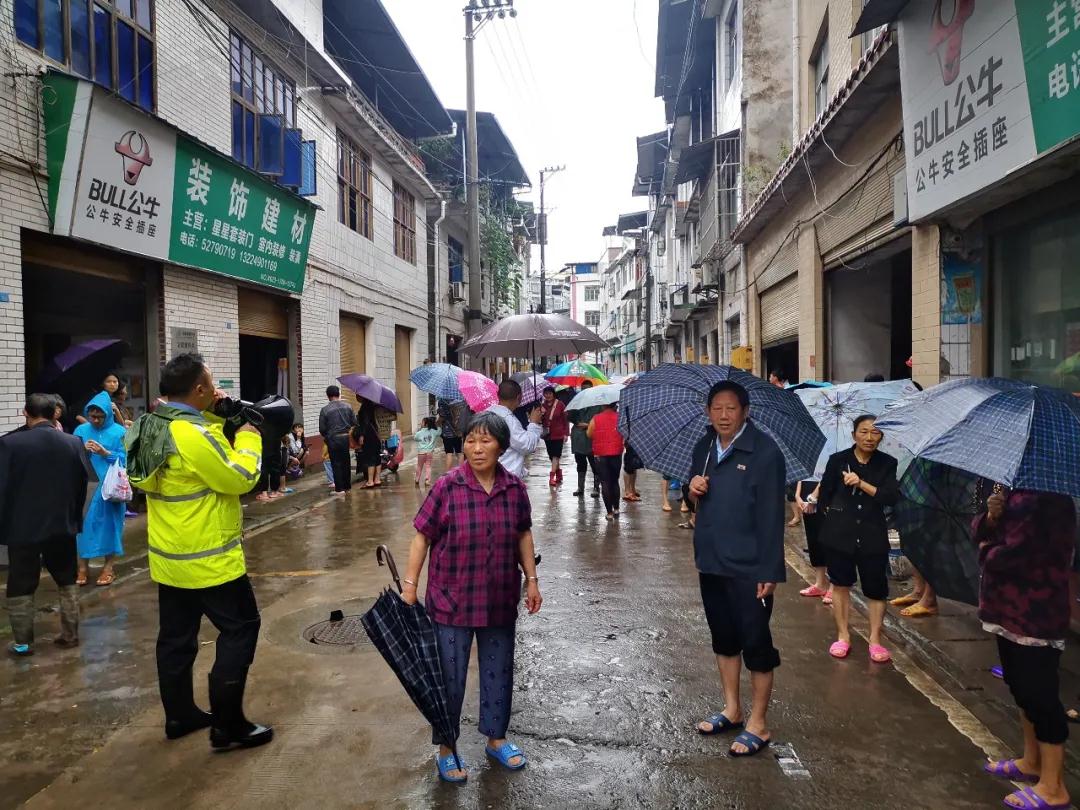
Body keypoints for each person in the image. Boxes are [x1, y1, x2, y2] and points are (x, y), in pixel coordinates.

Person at [126, 353, 271, 749]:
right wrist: (248, 433)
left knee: (175, 639)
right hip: (211, 559)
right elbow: (240, 477)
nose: (216, 389)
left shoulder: (146, 426)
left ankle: (180, 715)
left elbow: (187, 447)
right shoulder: (192, 435)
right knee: (241, 630)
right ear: (200, 389)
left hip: (170, 560)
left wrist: (216, 413)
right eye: (210, 384)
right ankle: (228, 726)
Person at [401, 411, 542, 783]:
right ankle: (447, 749)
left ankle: (497, 739)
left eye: (486, 441)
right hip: (451, 601)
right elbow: (422, 536)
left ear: (501, 446)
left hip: (498, 598)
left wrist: (531, 579)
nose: (477, 449)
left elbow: (523, 535)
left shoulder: (514, 489)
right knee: (449, 678)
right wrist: (411, 584)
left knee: (499, 671)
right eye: (470, 440)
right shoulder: (448, 486)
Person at [688, 381, 785, 757]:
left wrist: (770, 570)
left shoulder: (764, 452)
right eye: (716, 408)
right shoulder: (704, 448)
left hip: (749, 567)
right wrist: (692, 490)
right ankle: (732, 707)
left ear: (745, 411)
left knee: (756, 643)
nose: (723, 416)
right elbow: (695, 505)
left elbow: (772, 516)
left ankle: (758, 723)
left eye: (730, 408)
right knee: (724, 638)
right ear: (708, 412)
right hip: (712, 561)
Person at [976, 484, 1075, 810]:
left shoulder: (1052, 497)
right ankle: (1031, 761)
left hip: (1036, 612)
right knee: (1019, 686)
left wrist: (986, 549)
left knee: (1040, 694)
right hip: (1006, 608)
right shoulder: (1015, 488)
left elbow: (1021, 553)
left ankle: (1053, 785)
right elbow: (981, 528)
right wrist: (991, 516)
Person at [0, 394, 90, 655]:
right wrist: (74, 518)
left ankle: (22, 643)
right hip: (62, 524)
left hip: (22, 527)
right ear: (54, 414)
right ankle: (70, 634)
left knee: (21, 582)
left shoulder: (9, 444)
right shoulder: (73, 443)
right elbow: (82, 484)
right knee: (67, 578)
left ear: (26, 413)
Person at [818, 415, 899, 663]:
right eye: (864, 432)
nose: (869, 437)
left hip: (872, 533)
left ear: (881, 437)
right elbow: (826, 495)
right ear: (854, 435)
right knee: (841, 584)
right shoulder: (838, 461)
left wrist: (862, 483)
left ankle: (875, 640)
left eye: (875, 433)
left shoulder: (887, 463)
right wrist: (832, 519)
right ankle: (843, 636)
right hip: (840, 534)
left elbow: (889, 496)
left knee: (876, 589)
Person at [73, 391, 128, 587]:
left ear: (108, 414)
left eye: (100, 416)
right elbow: (71, 456)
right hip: (86, 486)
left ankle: (108, 568)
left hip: (111, 488)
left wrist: (106, 453)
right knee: (82, 527)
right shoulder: (81, 431)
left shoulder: (120, 432)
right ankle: (82, 568)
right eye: (92, 416)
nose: (95, 420)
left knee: (111, 526)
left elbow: (127, 459)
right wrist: (82, 451)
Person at [484, 380, 542, 481]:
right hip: (506, 478)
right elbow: (527, 445)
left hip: (489, 472)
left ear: (498, 395)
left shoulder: (486, 413)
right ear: (519, 397)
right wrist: (534, 424)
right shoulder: (508, 420)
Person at [795, 477, 830, 603]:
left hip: (823, 496)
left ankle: (833, 586)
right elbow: (802, 474)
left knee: (829, 542)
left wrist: (813, 498)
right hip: (807, 494)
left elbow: (828, 476)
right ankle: (819, 584)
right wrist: (798, 495)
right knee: (814, 541)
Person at [587, 403, 624, 520]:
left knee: (605, 483)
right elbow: (625, 433)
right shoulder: (620, 417)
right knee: (614, 481)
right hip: (616, 453)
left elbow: (589, 434)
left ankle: (609, 513)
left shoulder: (595, 418)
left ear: (603, 406)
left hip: (600, 454)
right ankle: (617, 509)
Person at [568, 380, 602, 498]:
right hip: (578, 438)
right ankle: (580, 487)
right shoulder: (576, 402)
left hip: (592, 438)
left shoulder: (598, 404)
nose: (585, 391)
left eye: (587, 388)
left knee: (595, 465)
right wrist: (576, 420)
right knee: (580, 464)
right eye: (583, 389)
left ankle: (596, 487)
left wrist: (588, 425)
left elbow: (601, 420)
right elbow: (569, 416)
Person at [319, 385, 355, 496]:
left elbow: (322, 429)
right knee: (346, 462)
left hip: (333, 439)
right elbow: (354, 422)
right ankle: (347, 487)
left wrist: (328, 437)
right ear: (339, 394)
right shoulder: (348, 406)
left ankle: (339, 489)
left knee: (336, 463)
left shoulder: (325, 410)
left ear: (328, 396)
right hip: (345, 438)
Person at [540, 386, 568, 488]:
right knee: (552, 456)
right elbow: (540, 422)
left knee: (556, 455)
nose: (548, 395)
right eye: (546, 393)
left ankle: (552, 477)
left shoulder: (560, 405)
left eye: (549, 393)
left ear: (553, 394)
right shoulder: (542, 406)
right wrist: (541, 414)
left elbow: (566, 420)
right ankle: (559, 473)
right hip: (548, 436)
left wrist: (566, 433)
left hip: (558, 435)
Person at [353, 400, 383, 489]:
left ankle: (370, 481)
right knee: (377, 457)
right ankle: (377, 479)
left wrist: (362, 435)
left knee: (370, 457)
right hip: (377, 434)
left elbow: (365, 422)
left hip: (369, 435)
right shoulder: (375, 405)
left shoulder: (365, 406)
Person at [436, 399, 465, 470]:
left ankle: (448, 474)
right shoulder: (460, 400)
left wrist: (437, 422)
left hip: (447, 432)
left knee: (449, 453)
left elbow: (442, 417)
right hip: (458, 431)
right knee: (459, 452)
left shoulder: (442, 401)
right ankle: (462, 471)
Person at [413, 416, 440, 487]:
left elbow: (415, 438)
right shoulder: (433, 431)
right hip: (429, 452)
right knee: (428, 466)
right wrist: (437, 425)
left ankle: (417, 479)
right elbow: (439, 432)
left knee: (419, 466)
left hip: (421, 453)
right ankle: (427, 480)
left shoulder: (419, 433)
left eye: (422, 422)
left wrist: (419, 432)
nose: (421, 423)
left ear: (426, 424)